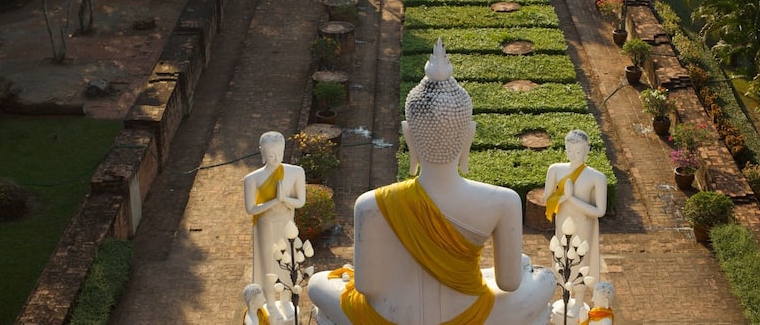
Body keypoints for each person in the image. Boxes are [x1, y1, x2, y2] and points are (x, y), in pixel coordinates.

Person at [308, 40, 555, 324]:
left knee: (318, 283)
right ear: (469, 135)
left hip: (391, 319)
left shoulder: (370, 204)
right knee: (543, 278)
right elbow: (509, 284)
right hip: (469, 316)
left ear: (408, 135)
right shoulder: (504, 201)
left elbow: (366, 286)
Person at [243, 131, 307, 321]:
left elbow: (300, 201)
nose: (276, 158)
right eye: (271, 155)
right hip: (266, 224)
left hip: (286, 224)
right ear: (262, 152)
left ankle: (286, 300)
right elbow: (251, 209)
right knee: (268, 265)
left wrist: (284, 198)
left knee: (288, 263)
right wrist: (275, 201)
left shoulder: (296, 172)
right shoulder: (252, 179)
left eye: (279, 154)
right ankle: (270, 302)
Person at [543, 129, 607, 284]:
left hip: (583, 223)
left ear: (587, 150)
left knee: (580, 263)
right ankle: (564, 292)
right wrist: (564, 198)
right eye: (569, 150)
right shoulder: (555, 169)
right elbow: (547, 199)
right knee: (561, 260)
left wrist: (571, 199)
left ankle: (579, 296)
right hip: (562, 220)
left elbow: (600, 211)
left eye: (578, 152)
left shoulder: (597, 177)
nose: (573, 155)